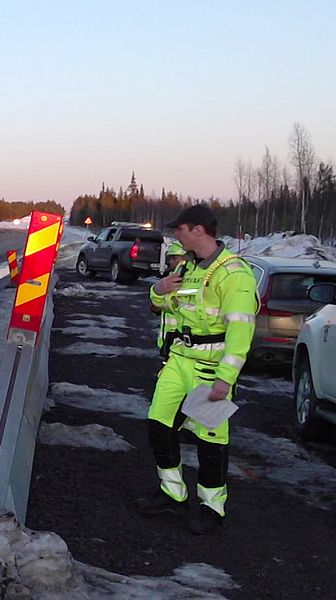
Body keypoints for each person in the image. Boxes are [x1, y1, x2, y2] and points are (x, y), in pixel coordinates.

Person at [136, 204, 258, 534]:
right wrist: (157, 291)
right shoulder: (188, 267)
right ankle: (173, 493)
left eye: (181, 229)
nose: (176, 235)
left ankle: (211, 505)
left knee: (210, 442)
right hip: (179, 361)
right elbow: (167, 305)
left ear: (199, 230)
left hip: (210, 369)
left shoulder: (234, 274)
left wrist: (225, 378)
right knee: (159, 425)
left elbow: (241, 330)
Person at [155, 241, 188, 361]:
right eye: (170, 258)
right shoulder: (170, 278)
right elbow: (156, 307)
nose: (170, 261)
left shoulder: (186, 282)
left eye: (175, 258)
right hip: (168, 342)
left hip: (181, 344)